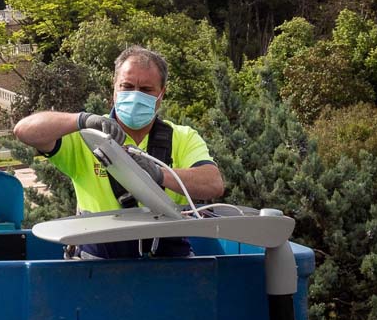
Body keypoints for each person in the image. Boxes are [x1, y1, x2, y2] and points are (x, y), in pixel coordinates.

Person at [13, 45, 224, 258]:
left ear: (162, 94)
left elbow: (213, 184)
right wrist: (81, 120)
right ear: (114, 88)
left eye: (146, 89)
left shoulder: (182, 136)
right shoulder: (86, 136)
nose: (135, 95)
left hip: (170, 263)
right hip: (98, 264)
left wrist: (159, 174)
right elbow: (24, 131)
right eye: (127, 86)